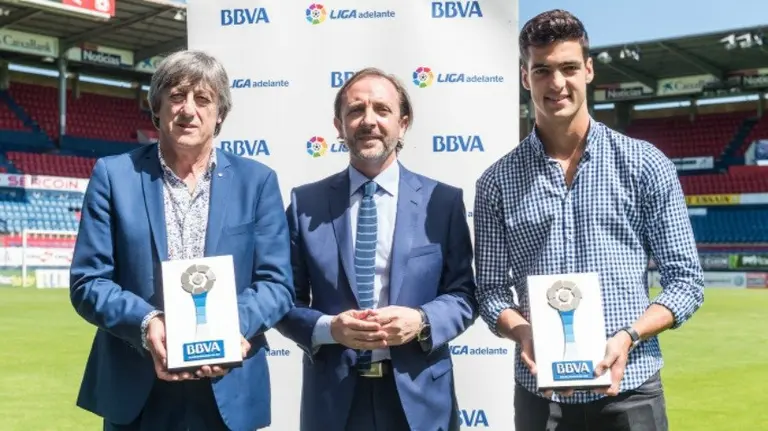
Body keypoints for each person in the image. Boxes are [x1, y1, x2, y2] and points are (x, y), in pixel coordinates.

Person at [473, 9, 705, 431]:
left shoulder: (645, 164)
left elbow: (685, 280)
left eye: (568, 67)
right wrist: (525, 333)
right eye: (541, 69)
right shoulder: (496, 182)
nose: (556, 83)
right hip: (540, 397)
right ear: (525, 77)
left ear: (589, 70)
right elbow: (489, 290)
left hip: (631, 388)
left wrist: (628, 336)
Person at [69, 50, 295, 431]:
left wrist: (228, 327)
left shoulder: (258, 182)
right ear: (156, 108)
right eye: (176, 96)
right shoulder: (114, 176)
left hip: (229, 391)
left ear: (220, 113)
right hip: (137, 388)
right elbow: (88, 281)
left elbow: (276, 284)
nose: (188, 109)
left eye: (203, 99)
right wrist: (147, 323)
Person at [275, 67, 478, 431]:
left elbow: (463, 295)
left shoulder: (443, 202)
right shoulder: (305, 203)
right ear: (338, 125)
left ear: (403, 123)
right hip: (334, 403)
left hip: (421, 402)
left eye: (382, 110)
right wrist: (327, 328)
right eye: (356, 110)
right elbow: (282, 300)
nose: (368, 120)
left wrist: (422, 321)